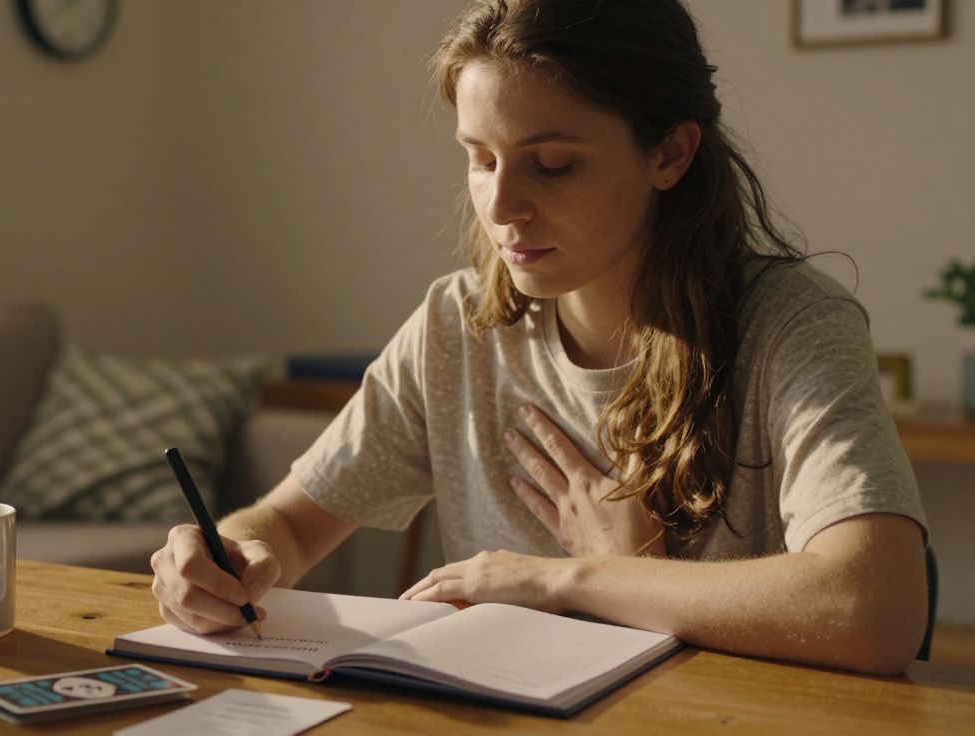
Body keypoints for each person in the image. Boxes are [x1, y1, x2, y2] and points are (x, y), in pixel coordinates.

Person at [149, 0, 928, 676]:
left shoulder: (791, 325)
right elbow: (285, 524)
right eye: (479, 160)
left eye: (551, 165)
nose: (501, 205)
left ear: (670, 153)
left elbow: (874, 607)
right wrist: (226, 556)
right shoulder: (455, 328)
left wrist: (571, 577)